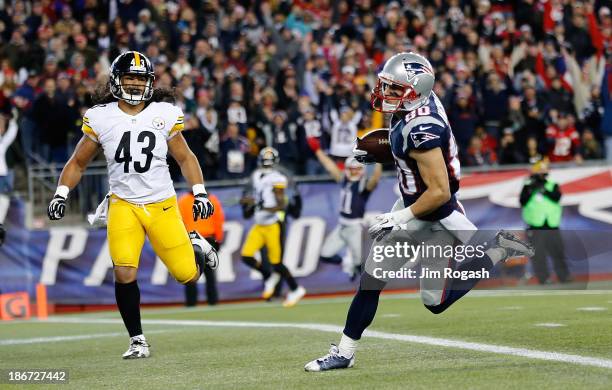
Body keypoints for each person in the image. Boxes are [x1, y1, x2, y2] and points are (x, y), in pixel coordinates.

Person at [305, 52, 534, 372]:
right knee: (370, 280)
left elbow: (438, 191)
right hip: (413, 205)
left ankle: (496, 249)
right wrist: (383, 152)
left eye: (394, 89)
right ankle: (344, 351)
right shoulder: (416, 105)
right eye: (386, 86)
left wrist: (398, 217)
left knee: (435, 303)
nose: (385, 94)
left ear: (416, 90)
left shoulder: (422, 127)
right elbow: (410, 155)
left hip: (436, 215)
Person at [47, 51, 218, 359]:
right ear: (116, 80)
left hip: (161, 204)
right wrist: (61, 193)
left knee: (188, 276)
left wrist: (200, 192)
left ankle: (195, 243)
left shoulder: (164, 113)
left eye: (141, 79)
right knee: (124, 271)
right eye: (130, 77)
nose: (136, 85)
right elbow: (78, 162)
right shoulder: (100, 116)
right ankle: (137, 339)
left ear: (150, 82)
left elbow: (185, 157)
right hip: (123, 204)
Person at [239, 147, 306, 307]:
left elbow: (281, 205)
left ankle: (296, 289)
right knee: (246, 256)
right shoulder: (256, 175)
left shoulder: (278, 178)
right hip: (259, 224)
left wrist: (260, 206)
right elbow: (257, 197)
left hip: (271, 225)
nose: (266, 165)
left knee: (277, 262)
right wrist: (250, 201)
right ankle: (269, 276)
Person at [307, 137, 382, 279]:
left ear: (362, 170)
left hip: (354, 228)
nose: (354, 172)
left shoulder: (363, 185)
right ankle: (346, 262)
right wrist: (318, 151)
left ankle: (369, 290)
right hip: (342, 226)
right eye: (352, 169)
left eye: (356, 169)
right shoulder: (343, 179)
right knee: (325, 255)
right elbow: (330, 166)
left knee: (360, 264)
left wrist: (379, 160)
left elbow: (375, 180)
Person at [519, 160, 571, 284]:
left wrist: (544, 189)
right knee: (539, 254)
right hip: (535, 225)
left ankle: (564, 276)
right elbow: (523, 201)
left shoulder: (552, 184)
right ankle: (544, 278)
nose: (543, 173)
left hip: (552, 224)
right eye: (540, 170)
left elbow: (556, 197)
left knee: (558, 251)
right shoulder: (528, 186)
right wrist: (532, 188)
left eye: (544, 170)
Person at [178, 192, 224, 305]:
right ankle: (213, 301)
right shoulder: (212, 199)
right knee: (210, 273)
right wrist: (218, 238)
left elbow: (179, 221)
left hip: (191, 239)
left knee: (191, 272)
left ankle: (191, 302)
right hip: (208, 238)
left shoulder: (183, 200)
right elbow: (219, 220)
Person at [0, 111, 18, 246]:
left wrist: (12, 121)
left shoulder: (2, 143)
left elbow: (11, 133)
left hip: (2, 175)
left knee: (4, 199)